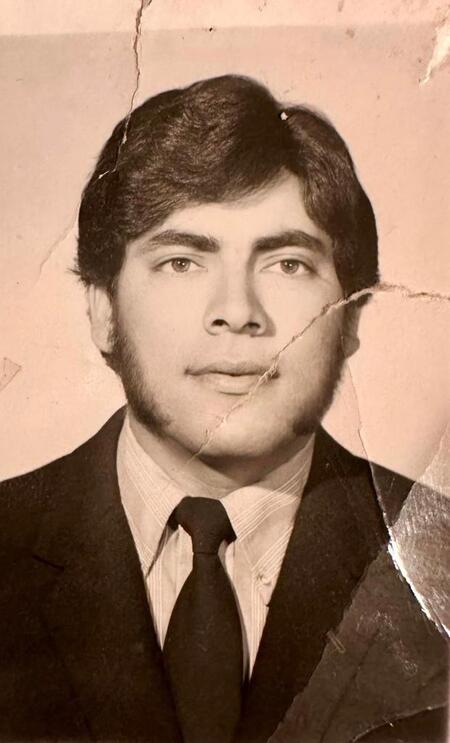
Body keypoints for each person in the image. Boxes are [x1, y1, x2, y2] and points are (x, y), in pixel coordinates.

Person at [0, 75, 447, 743]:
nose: (237, 312)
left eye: (288, 264)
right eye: (182, 261)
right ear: (103, 310)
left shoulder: (439, 559)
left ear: (352, 316)